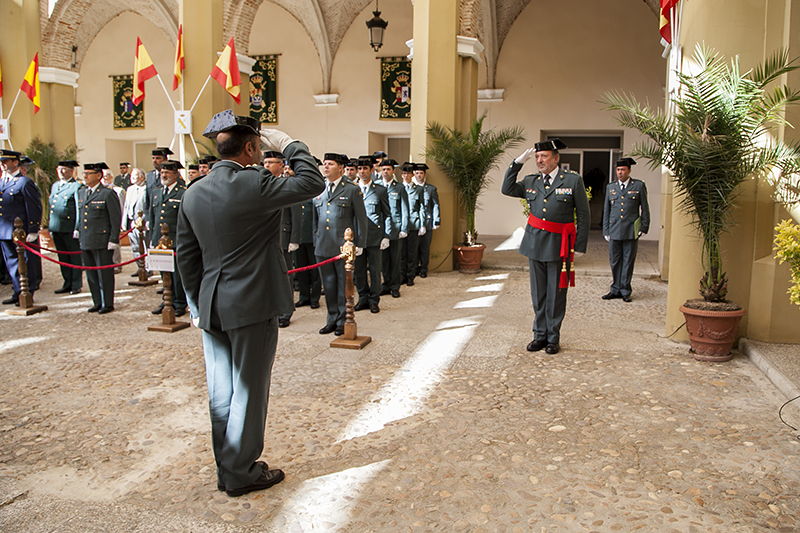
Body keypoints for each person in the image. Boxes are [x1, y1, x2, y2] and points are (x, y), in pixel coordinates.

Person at [176, 110, 325, 497]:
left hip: (211, 304)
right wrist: (291, 144)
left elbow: (186, 256)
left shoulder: (194, 191)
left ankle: (227, 468)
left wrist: (195, 304)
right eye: (259, 146)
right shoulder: (256, 183)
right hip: (253, 301)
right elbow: (312, 181)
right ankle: (242, 472)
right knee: (248, 389)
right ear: (250, 148)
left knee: (221, 392)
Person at [502, 139, 590, 355]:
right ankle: (538, 335)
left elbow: (584, 214)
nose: (540, 160)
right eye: (537, 157)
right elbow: (507, 188)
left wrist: (579, 245)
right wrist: (517, 163)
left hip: (559, 245)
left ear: (556, 158)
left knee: (556, 294)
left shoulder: (572, 180)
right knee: (538, 294)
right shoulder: (531, 181)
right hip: (535, 243)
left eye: (544, 156)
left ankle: (553, 337)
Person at [312, 152, 368, 335]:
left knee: (344, 285)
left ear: (341, 168)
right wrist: (316, 240)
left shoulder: (351, 189)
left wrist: (359, 244)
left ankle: (343, 320)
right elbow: (315, 220)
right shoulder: (319, 188)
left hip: (343, 249)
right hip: (323, 246)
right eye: (325, 164)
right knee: (328, 286)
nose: (325, 167)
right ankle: (331, 318)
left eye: (330, 164)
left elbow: (361, 219)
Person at [602, 157, 650, 302]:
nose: (620, 172)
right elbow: (607, 210)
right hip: (615, 229)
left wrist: (644, 226)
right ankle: (615, 288)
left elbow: (645, 209)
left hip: (630, 230)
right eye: (618, 170)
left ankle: (625, 289)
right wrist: (606, 230)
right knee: (615, 261)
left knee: (628, 261)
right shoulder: (611, 187)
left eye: (623, 170)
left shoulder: (638, 186)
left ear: (629, 170)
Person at [77, 162, 122, 314]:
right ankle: (96, 301)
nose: (85, 176)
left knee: (104, 274)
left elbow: (115, 218)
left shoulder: (107, 193)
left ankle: (107, 302)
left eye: (88, 174)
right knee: (91, 274)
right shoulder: (82, 192)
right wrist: (78, 231)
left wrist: (114, 239)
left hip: (102, 240)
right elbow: (81, 215)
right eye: (84, 174)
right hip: (87, 239)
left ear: (98, 175)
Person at [0, 149, 42, 306]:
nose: (2, 164)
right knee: (11, 264)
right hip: (5, 231)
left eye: (5, 161)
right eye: (1, 162)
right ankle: (17, 291)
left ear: (15, 163)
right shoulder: (2, 182)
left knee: (25, 262)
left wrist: (33, 229)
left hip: (21, 231)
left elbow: (34, 207)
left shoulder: (24, 182)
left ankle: (27, 292)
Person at [263, 150, 300, 328]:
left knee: (286, 276)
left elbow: (295, 214)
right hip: (265, 238)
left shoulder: (287, 185)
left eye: (271, 162)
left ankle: (286, 311)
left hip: (283, 237)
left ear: (281, 165)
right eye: (265, 162)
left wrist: (294, 238)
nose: (267, 166)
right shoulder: (262, 184)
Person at [148, 160, 187, 317]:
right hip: (160, 241)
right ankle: (166, 300)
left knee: (177, 274)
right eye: (162, 172)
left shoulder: (182, 192)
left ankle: (179, 302)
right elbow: (153, 217)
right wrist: (153, 238)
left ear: (175, 175)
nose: (163, 175)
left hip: (175, 239)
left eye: (167, 173)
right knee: (164, 272)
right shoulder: (156, 192)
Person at [353, 156, 390, 313]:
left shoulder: (380, 190)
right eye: (359, 169)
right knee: (358, 270)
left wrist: (386, 235)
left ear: (372, 170)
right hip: (357, 237)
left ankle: (374, 300)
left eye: (365, 168)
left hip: (375, 237)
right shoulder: (352, 189)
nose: (361, 172)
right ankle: (362, 298)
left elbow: (387, 214)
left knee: (375, 270)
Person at [49, 160, 84, 294]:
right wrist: (51, 227)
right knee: (63, 258)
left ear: (71, 171)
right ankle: (67, 282)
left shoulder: (76, 186)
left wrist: (77, 228)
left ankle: (76, 284)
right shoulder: (55, 186)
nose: (61, 172)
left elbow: (78, 209)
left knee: (74, 258)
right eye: (59, 169)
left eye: (64, 169)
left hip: (70, 228)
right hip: (57, 227)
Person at [377, 158, 408, 298]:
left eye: (388, 169)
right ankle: (386, 284)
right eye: (383, 169)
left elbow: (404, 209)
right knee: (384, 260)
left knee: (395, 259)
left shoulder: (399, 187)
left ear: (393, 171)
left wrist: (404, 228)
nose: (385, 171)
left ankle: (395, 286)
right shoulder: (377, 186)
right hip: (381, 229)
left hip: (395, 229)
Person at [399, 162, 426, 286]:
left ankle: (410, 276)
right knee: (401, 252)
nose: (406, 176)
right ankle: (402, 275)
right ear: (401, 175)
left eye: (409, 173)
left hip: (414, 224)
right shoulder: (398, 188)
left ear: (412, 175)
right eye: (404, 173)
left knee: (412, 253)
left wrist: (422, 224)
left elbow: (421, 207)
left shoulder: (418, 189)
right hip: (401, 225)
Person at [414, 163, 440, 278]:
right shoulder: (411, 188)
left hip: (427, 222)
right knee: (414, 247)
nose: (419, 175)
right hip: (414, 222)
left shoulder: (430, 189)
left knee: (424, 247)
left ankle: (424, 268)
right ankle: (414, 268)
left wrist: (436, 220)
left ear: (424, 175)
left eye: (421, 173)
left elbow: (435, 205)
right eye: (417, 173)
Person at [121, 168, 148, 276]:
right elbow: (126, 206)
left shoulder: (146, 188)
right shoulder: (130, 189)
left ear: (141, 176)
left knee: (145, 245)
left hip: (142, 222)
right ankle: (139, 266)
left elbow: (147, 206)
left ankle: (147, 268)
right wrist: (123, 221)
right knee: (135, 246)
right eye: (131, 175)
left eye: (135, 175)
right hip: (131, 221)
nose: (132, 177)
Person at [102, 169, 126, 272]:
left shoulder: (118, 190)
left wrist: (120, 222)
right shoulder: (100, 191)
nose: (105, 178)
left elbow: (120, 208)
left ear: (111, 177)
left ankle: (116, 264)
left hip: (114, 220)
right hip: (103, 222)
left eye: (107, 176)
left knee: (115, 243)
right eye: (103, 176)